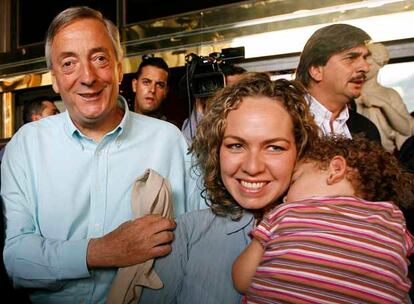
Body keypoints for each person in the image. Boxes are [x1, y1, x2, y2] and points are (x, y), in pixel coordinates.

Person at [0, 7, 201, 304]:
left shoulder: (169, 141)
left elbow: (196, 246)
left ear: (119, 70)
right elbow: (17, 260)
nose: (88, 77)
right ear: (54, 79)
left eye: (99, 59)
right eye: (69, 63)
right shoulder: (26, 146)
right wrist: (102, 251)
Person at [140, 73, 320, 303]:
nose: (252, 167)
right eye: (236, 145)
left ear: (300, 151)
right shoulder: (187, 233)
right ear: (216, 151)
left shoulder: (331, 234)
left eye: (274, 148)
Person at [233, 135, 414, 304]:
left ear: (335, 170)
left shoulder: (287, 212)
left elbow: (242, 280)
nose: (285, 197)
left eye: (295, 180)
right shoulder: (394, 220)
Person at [296, 23, 381, 143]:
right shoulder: (283, 121)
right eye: (351, 58)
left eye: (365, 58)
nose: (365, 67)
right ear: (316, 70)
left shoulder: (367, 130)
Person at [356, 42, 414, 152]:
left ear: (379, 65)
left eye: (369, 64)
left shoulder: (390, 94)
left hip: (387, 154)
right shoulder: (352, 93)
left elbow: (406, 129)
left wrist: (383, 105)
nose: (363, 68)